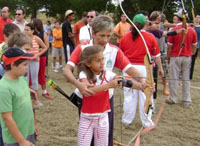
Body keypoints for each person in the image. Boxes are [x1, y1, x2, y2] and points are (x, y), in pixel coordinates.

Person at [64, 15, 146, 146]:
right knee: (87, 136)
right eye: (101, 36)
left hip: (107, 99)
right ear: (93, 33)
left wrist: (143, 80)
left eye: (109, 36)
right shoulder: (82, 49)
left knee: (105, 137)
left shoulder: (114, 50)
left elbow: (128, 68)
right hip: (86, 98)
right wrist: (78, 84)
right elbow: (67, 70)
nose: (105, 40)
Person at [119, 14, 164, 127]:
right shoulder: (149, 37)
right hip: (144, 69)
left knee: (129, 95)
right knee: (146, 95)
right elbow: (157, 56)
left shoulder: (125, 37)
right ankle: (146, 122)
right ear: (144, 24)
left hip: (129, 68)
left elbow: (121, 54)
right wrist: (161, 69)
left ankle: (127, 120)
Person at [77, 45, 121, 146]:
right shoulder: (83, 75)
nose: (102, 63)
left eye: (103, 59)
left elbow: (120, 80)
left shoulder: (108, 74)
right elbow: (89, 90)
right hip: (87, 119)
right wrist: (109, 85)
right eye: (97, 61)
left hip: (102, 119)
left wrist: (141, 85)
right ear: (88, 63)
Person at [0, 47, 38, 146]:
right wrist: (21, 141)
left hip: (29, 131)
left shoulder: (21, 79)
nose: (27, 67)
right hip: (15, 139)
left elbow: (28, 105)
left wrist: (34, 124)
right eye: (24, 64)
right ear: (13, 65)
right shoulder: (3, 88)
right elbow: (7, 118)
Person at [166, 9, 197, 107]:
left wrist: (168, 57)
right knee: (186, 79)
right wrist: (191, 53)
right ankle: (186, 100)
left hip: (176, 56)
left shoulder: (174, 30)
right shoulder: (192, 30)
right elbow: (194, 45)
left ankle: (173, 98)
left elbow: (169, 46)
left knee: (173, 78)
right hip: (187, 57)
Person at [25, 23, 47, 105]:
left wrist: (37, 54)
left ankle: (36, 99)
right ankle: (27, 99)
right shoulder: (23, 39)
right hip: (26, 61)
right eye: (25, 30)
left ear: (32, 31)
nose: (25, 31)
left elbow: (45, 47)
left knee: (34, 79)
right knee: (25, 79)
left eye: (27, 30)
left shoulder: (36, 38)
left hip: (34, 61)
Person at [32, 18, 51, 99]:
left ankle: (44, 91)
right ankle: (33, 91)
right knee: (33, 74)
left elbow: (47, 46)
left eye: (32, 23)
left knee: (41, 73)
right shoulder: (33, 33)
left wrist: (39, 51)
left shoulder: (43, 33)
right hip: (34, 56)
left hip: (42, 56)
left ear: (36, 24)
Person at [190, 14, 200, 79]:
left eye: (198, 18)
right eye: (196, 17)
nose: (197, 19)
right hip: (189, 45)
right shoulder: (191, 26)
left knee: (192, 60)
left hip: (196, 46)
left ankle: (190, 75)